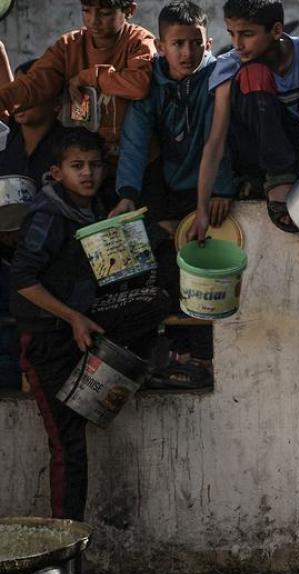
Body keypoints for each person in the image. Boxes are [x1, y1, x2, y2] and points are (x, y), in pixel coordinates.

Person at [12, 129, 169, 520]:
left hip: (85, 324)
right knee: (69, 448)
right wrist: (73, 318)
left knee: (154, 301)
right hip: (49, 336)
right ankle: (66, 554)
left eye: (95, 166)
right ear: (56, 172)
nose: (87, 174)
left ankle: (98, 384)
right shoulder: (47, 213)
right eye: (76, 166)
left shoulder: (100, 207)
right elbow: (22, 279)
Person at [110, 1, 234, 387]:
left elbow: (225, 138)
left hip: (208, 187)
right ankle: (177, 355)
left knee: (205, 265)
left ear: (208, 43)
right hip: (166, 183)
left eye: (195, 43)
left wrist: (222, 187)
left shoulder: (220, 74)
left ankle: (205, 358)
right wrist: (127, 193)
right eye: (177, 44)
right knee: (166, 265)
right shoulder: (151, 83)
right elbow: (134, 140)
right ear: (161, 47)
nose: (187, 52)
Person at [194, 0, 299, 238]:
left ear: (277, 30)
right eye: (232, 34)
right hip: (258, 152)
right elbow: (215, 142)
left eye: (247, 34)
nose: (237, 44)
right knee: (253, 74)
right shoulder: (230, 65)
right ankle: (279, 178)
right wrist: (202, 208)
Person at [0, 0, 155, 163]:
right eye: (86, 11)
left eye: (105, 13)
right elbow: (35, 82)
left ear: (130, 10)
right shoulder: (68, 47)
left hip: (138, 163)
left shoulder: (139, 42)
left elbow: (139, 84)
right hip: (86, 163)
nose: (93, 21)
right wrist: (4, 100)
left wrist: (89, 77)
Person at [0, 61, 66, 186]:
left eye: (29, 94)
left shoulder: (68, 145)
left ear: (57, 103)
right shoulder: (6, 134)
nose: (19, 101)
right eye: (16, 92)